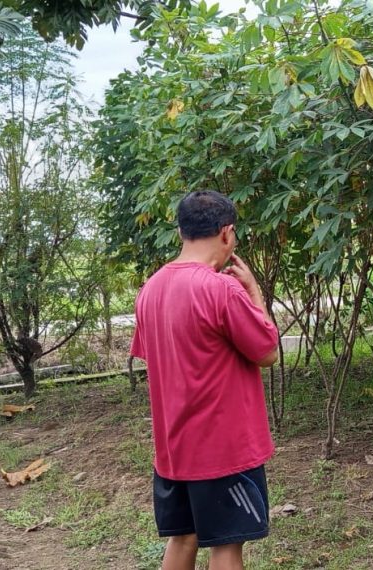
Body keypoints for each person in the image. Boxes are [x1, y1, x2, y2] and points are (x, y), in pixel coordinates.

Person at [130, 190, 280, 570]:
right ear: (227, 233)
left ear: (181, 232)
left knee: (184, 538)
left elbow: (158, 356)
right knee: (226, 546)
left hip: (173, 449)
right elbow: (267, 353)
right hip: (223, 450)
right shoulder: (221, 289)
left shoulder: (150, 290)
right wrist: (254, 292)